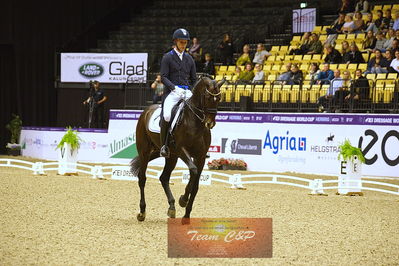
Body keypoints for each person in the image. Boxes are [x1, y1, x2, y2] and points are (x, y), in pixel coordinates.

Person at [159, 28, 196, 158]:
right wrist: (174, 88)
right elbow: (163, 77)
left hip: (186, 91)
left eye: (185, 42)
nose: (183, 45)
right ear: (175, 42)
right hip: (172, 92)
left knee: (199, 111)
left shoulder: (189, 59)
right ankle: (164, 145)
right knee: (168, 115)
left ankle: (200, 144)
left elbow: (193, 79)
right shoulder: (167, 57)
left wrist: (189, 90)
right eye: (181, 42)